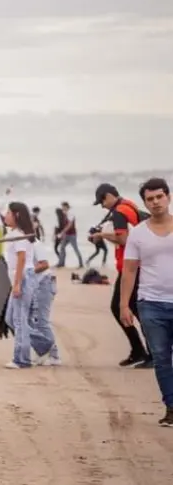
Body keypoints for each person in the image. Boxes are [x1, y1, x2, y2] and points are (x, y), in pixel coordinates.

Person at [119, 177, 173, 427]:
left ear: (168, 197)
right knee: (161, 357)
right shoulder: (138, 234)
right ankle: (171, 407)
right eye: (150, 199)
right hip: (150, 303)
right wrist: (123, 305)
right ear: (145, 203)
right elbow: (129, 270)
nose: (155, 202)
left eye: (159, 196)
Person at [90, 183, 152, 368]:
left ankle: (148, 352)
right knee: (134, 308)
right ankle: (143, 351)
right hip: (137, 265)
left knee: (122, 308)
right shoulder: (129, 205)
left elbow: (123, 239)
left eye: (102, 201)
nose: (102, 205)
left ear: (109, 195)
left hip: (131, 267)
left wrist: (102, 235)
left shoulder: (119, 211)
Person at [2, 201, 38, 369]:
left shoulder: (20, 235)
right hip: (19, 278)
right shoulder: (14, 234)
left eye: (8, 213)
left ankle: (21, 359)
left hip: (23, 277)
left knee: (19, 319)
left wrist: (17, 284)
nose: (5, 215)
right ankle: (43, 344)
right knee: (11, 318)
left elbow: (22, 260)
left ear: (16, 215)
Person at [30, 237, 61, 366]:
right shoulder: (21, 243)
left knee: (42, 321)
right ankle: (42, 352)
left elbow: (44, 264)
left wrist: (26, 272)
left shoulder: (35, 244)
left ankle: (54, 355)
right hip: (35, 284)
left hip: (44, 283)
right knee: (34, 320)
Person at [56, 201, 83, 268]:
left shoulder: (71, 214)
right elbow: (64, 224)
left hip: (72, 235)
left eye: (63, 207)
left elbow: (70, 225)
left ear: (67, 207)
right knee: (62, 248)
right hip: (66, 235)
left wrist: (62, 232)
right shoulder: (65, 214)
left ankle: (81, 264)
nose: (62, 208)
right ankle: (61, 263)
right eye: (62, 207)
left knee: (75, 248)